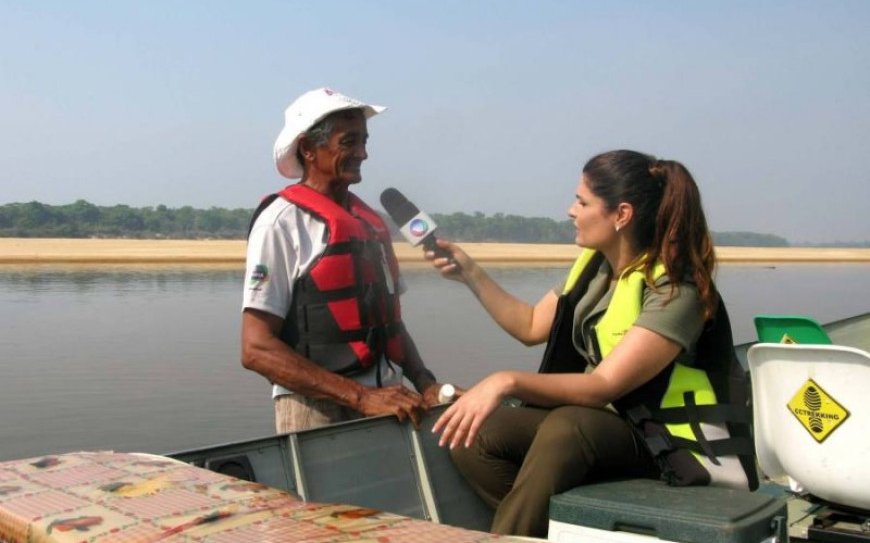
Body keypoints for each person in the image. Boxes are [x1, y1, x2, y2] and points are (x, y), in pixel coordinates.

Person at [426, 150, 757, 537]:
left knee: (570, 425)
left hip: (677, 448)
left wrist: (504, 381)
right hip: (610, 431)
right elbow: (531, 325)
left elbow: (604, 387)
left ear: (621, 215)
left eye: (582, 202)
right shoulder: (595, 268)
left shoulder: (675, 289)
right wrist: (469, 271)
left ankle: (515, 534)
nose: (571, 210)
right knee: (474, 431)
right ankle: (541, 531)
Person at [241, 87, 445, 433]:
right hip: (316, 408)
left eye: (365, 141)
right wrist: (360, 397)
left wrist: (426, 384)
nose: (363, 153)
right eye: (349, 142)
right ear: (307, 148)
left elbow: (391, 326)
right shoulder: (280, 223)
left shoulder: (371, 224)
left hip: (389, 401)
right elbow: (256, 348)